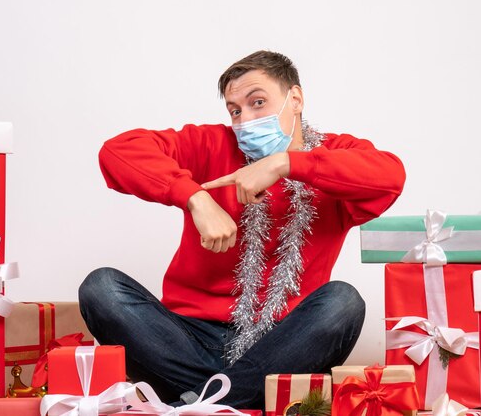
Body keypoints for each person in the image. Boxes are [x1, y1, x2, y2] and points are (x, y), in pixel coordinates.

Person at [79, 50, 406, 409]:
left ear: (295, 100)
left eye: (258, 103)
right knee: (102, 288)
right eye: (235, 110)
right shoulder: (212, 145)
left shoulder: (332, 155)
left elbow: (389, 175)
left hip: (283, 342)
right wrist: (195, 198)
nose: (245, 119)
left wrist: (286, 164)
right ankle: (231, 401)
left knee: (343, 302)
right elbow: (118, 151)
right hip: (188, 338)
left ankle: (199, 403)